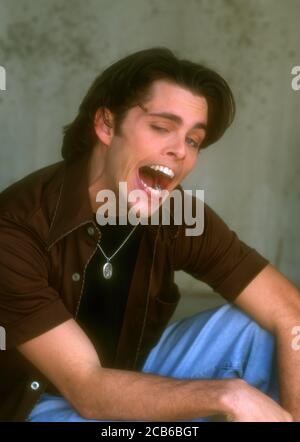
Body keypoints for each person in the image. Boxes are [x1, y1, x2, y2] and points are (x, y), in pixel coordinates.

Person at [0, 48, 299, 422]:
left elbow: (290, 312)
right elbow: (87, 389)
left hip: (133, 374)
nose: (179, 151)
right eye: (161, 127)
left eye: (193, 140)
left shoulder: (177, 213)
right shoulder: (14, 229)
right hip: (45, 403)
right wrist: (229, 396)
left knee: (264, 330)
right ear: (106, 125)